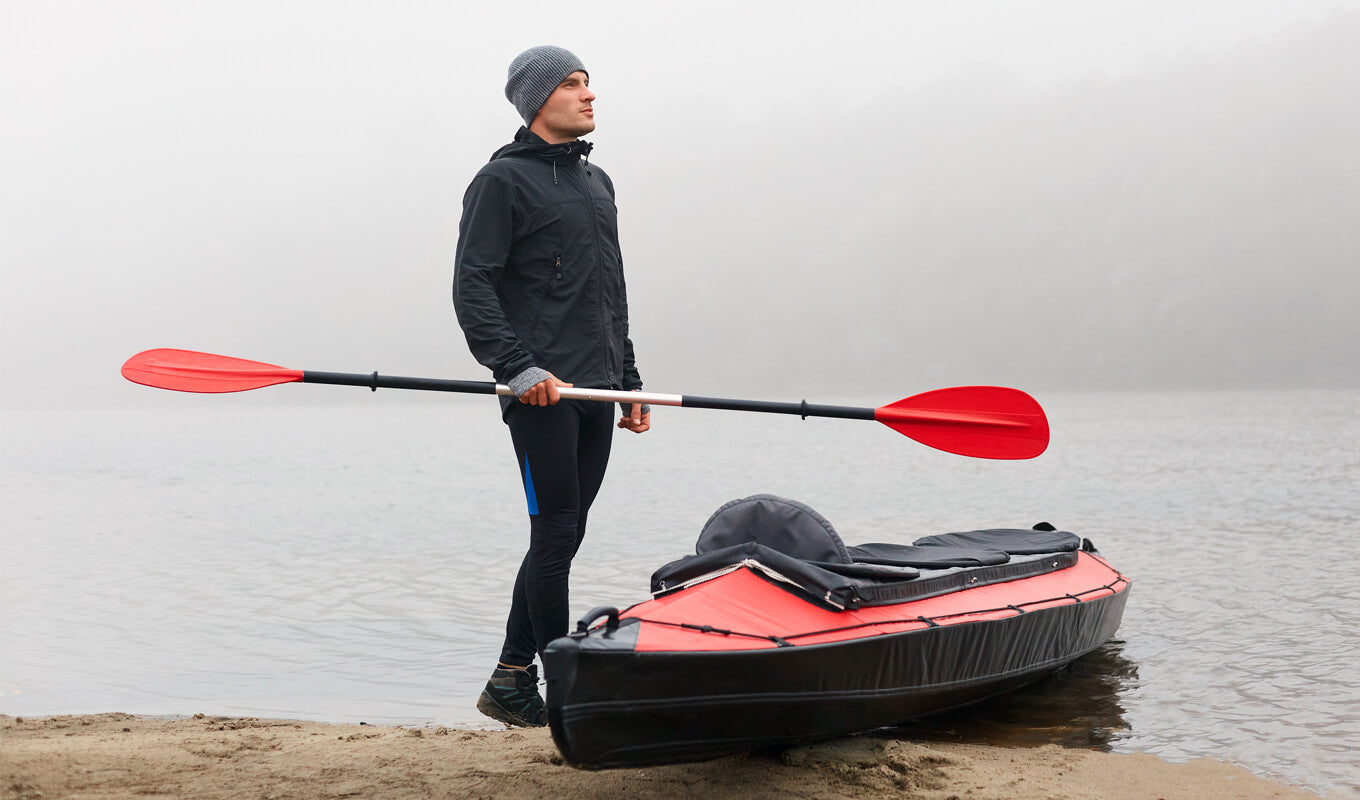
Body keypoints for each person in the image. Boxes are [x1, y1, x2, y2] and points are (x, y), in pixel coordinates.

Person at [452, 45, 650, 728]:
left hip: (594, 389)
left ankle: (511, 678)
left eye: (589, 82)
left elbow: (609, 292)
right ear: (538, 101)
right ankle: (563, 689)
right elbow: (472, 286)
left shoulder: (599, 184)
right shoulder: (501, 183)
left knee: (562, 535)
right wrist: (516, 368)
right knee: (557, 528)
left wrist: (628, 381)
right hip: (539, 393)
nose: (588, 95)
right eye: (571, 84)